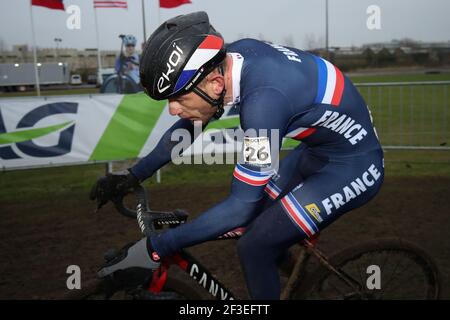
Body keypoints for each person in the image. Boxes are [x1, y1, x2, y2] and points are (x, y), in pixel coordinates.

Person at [90, 11, 384, 299]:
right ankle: (299, 281)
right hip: (317, 151)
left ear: (215, 85)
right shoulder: (229, 62)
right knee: (262, 230)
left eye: (178, 98)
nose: (172, 109)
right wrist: (133, 175)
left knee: (254, 245)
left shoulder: (263, 104)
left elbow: (240, 207)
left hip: (353, 167)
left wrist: (156, 247)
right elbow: (191, 126)